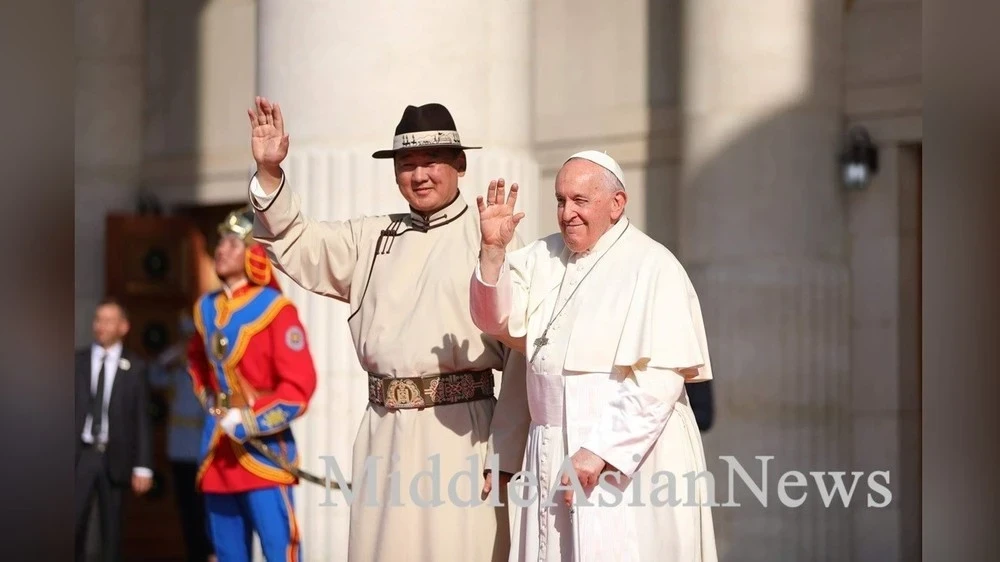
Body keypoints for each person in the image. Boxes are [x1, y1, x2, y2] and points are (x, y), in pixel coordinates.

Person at [245, 97, 530, 562]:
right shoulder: (370, 237)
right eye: (407, 164)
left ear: (459, 164)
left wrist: (506, 451)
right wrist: (270, 172)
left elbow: (523, 353)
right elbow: (293, 239)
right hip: (382, 433)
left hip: (464, 435)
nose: (419, 175)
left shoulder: (493, 237)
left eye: (431, 161)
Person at [469, 151, 718, 562]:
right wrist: (493, 252)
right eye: (560, 200)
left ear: (617, 204)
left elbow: (659, 380)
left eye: (580, 201)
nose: (567, 213)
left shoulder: (654, 265)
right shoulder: (542, 256)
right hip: (549, 448)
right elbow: (494, 319)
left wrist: (602, 450)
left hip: (627, 454)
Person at [186, 206, 319, 561]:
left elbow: (299, 389)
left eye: (233, 244)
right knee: (227, 552)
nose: (221, 249)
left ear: (253, 254)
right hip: (218, 452)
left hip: (264, 453)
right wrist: (212, 404)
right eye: (220, 243)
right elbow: (195, 361)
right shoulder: (205, 308)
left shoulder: (276, 309)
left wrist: (250, 419)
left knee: (279, 550)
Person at [75, 297, 154, 562]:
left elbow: (142, 418)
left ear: (123, 327)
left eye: (109, 321)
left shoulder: (135, 367)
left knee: (112, 531)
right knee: (73, 526)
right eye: (98, 319)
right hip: (82, 456)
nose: (101, 326)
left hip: (115, 456)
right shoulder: (77, 361)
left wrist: (143, 466)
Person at [148, 311, 215, 562]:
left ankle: (210, 554)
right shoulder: (176, 368)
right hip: (180, 449)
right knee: (187, 509)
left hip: (204, 448)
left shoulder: (207, 367)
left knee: (207, 509)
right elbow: (153, 375)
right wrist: (175, 353)